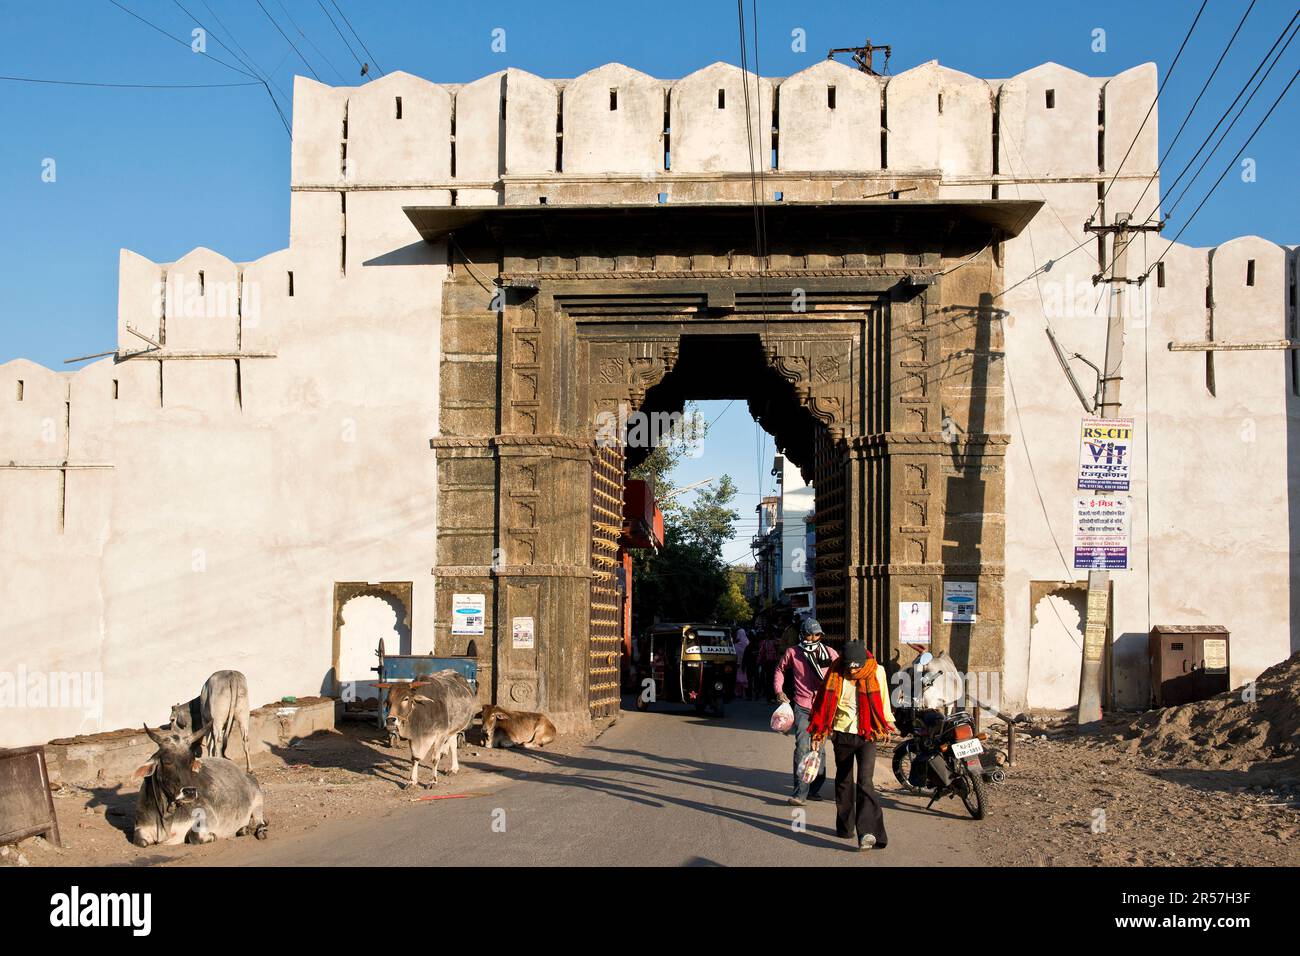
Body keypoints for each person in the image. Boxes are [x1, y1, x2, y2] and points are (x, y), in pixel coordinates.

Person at [807, 640, 895, 850]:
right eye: (849, 666)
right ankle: (845, 826)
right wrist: (818, 734)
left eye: (856, 665)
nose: (853, 669)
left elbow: (883, 697)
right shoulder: (836, 671)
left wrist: (887, 721)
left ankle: (868, 833)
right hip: (841, 733)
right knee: (844, 780)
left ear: (864, 661)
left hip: (867, 733)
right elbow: (823, 703)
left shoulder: (877, 671)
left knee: (865, 782)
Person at [774, 618, 837, 805]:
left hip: (824, 708)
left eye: (817, 634)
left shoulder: (830, 653)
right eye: (809, 634)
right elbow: (779, 670)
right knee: (802, 747)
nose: (813, 638)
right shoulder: (793, 653)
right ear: (802, 634)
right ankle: (799, 792)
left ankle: (814, 788)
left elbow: (842, 674)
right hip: (802, 707)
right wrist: (779, 690)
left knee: (820, 750)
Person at [758, 631, 781, 704]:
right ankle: (772, 697)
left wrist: (759, 661)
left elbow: (761, 653)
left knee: (771, 680)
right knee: (772, 680)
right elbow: (761, 653)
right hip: (771, 663)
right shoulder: (771, 642)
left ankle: (771, 697)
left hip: (772, 663)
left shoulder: (769, 642)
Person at [733, 626, 749, 700]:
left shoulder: (736, 645)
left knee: (737, 677)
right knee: (744, 676)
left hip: (738, 664)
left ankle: (738, 693)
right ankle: (745, 693)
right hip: (745, 664)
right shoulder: (748, 643)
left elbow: (735, 655)